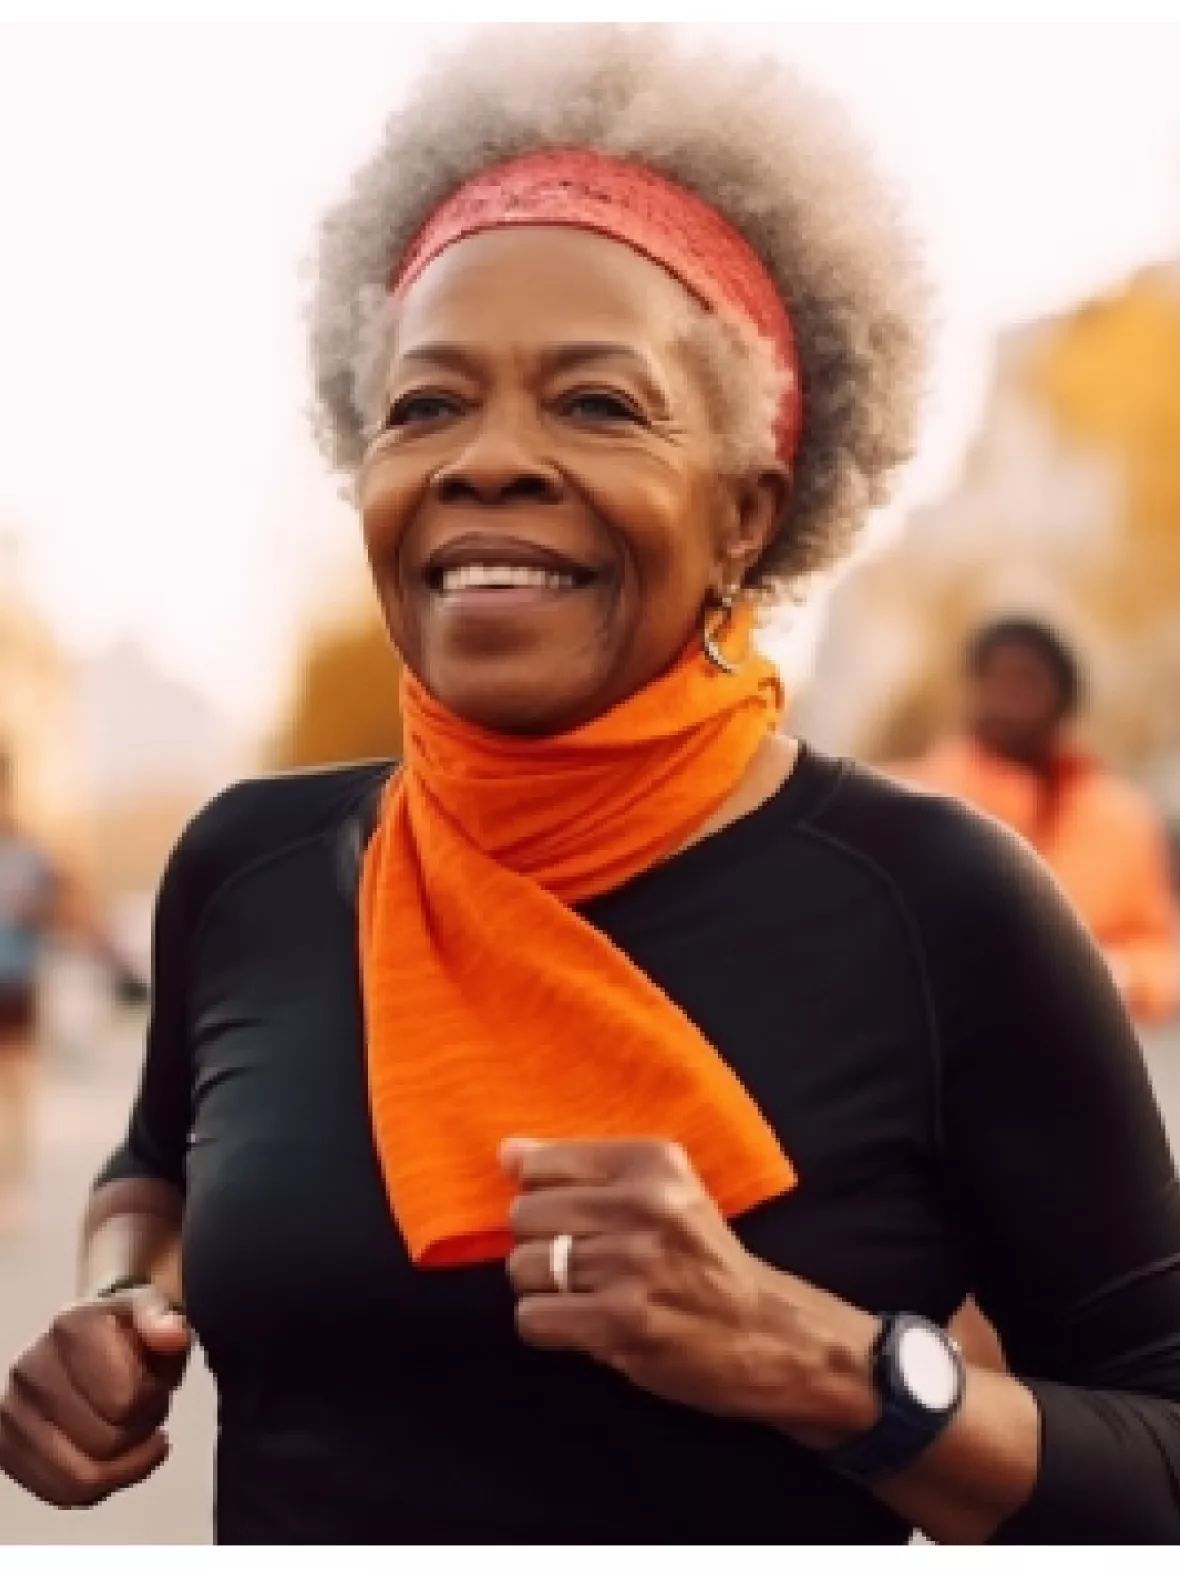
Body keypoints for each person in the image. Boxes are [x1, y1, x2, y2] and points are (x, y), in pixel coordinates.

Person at [2, 24, 1180, 1547]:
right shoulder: (255, 865)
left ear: (749, 509)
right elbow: (155, 1163)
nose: (490, 460)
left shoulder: (941, 904)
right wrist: (114, 1303)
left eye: (598, 404)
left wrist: (824, 1362)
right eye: (425, 406)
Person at [892, 616, 1179, 1024]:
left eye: (1024, 682)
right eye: (990, 680)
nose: (1002, 700)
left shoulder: (1123, 818)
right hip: (940, 1052)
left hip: (1078, 1055)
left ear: (1063, 701)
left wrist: (1122, 975)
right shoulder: (913, 801)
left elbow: (1160, 959)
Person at [0, 752, 58, 1230]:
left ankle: (12, 1189)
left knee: (17, 1086)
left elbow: (57, 913)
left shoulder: (29, 852)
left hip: (15, 981)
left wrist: (32, 910)